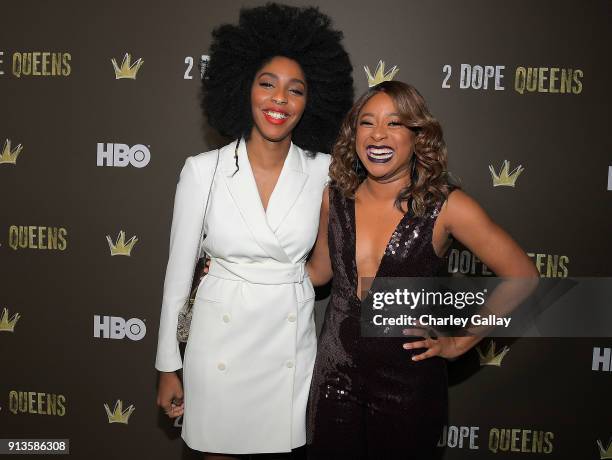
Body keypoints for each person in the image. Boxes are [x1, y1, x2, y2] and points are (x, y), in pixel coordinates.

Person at [154, 4, 353, 459]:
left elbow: (323, 267)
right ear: (244, 88)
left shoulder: (324, 172)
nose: (279, 99)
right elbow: (177, 278)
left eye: (295, 90)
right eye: (267, 84)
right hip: (216, 345)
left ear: (312, 102)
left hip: (286, 346)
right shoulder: (203, 171)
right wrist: (169, 365)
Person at [305, 80, 539, 459]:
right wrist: (243, 268)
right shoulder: (334, 198)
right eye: (367, 122)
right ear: (354, 134)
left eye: (394, 124)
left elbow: (524, 277)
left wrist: (459, 343)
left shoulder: (447, 206)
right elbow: (317, 273)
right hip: (335, 379)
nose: (378, 134)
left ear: (418, 137)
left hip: (408, 385)